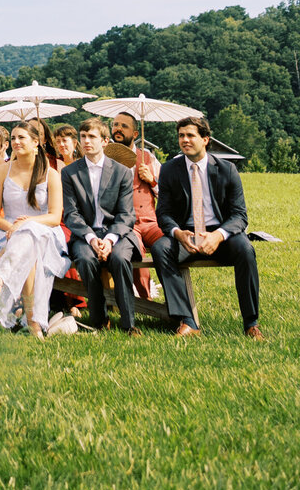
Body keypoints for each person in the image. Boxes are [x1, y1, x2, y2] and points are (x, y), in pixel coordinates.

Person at [150, 116, 262, 340]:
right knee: (160, 248)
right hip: (186, 234)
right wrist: (177, 233)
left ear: (205, 139)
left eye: (190, 135)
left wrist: (218, 236)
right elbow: (163, 213)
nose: (185, 140)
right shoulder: (170, 170)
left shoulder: (227, 169)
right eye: (181, 135)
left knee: (246, 250)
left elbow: (240, 215)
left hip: (221, 234)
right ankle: (188, 321)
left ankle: (251, 323)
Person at [0, 121, 67, 337]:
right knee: (28, 247)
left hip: (45, 232)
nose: (16, 142)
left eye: (21, 137)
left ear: (36, 143)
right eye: (13, 138)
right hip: (7, 232)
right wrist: (14, 227)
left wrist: (27, 223)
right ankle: (33, 323)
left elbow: (54, 217)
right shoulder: (2, 171)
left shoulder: (51, 175)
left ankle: (1, 277)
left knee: (30, 233)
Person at [60, 117, 138, 334]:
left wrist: (110, 240)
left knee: (120, 258)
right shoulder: (69, 173)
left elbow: (126, 214)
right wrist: (92, 239)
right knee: (85, 260)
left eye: (92, 137)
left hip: (117, 234)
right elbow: (71, 214)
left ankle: (129, 323)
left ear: (105, 141)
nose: (86, 141)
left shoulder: (122, 172)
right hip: (85, 234)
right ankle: (99, 319)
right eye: (83, 136)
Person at [110, 111, 162, 299]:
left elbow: (167, 193)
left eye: (124, 126)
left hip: (151, 222)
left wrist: (152, 180)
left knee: (168, 246)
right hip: (126, 223)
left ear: (135, 134)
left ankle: (177, 300)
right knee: (135, 250)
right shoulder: (106, 159)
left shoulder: (147, 158)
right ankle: (146, 301)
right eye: (115, 125)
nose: (118, 129)